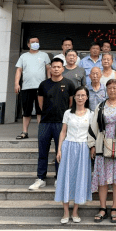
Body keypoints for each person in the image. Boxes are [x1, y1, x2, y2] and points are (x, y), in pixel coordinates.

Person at [89, 79, 116, 223]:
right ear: (106, 90)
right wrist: (92, 145)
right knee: (102, 179)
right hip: (102, 145)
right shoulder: (100, 106)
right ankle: (102, 208)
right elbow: (93, 126)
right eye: (109, 88)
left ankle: (114, 207)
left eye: (115, 88)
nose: (112, 90)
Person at [29, 58, 75, 191]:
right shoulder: (43, 85)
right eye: (54, 67)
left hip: (61, 123)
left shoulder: (69, 84)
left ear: (63, 68)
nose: (56, 69)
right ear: (50, 69)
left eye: (58, 67)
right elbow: (41, 103)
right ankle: (41, 178)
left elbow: (70, 104)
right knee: (43, 151)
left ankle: (59, 178)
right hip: (45, 123)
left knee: (60, 152)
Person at [55, 86, 93, 224]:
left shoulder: (91, 114)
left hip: (83, 148)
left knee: (79, 178)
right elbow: (63, 132)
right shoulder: (68, 113)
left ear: (87, 97)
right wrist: (59, 150)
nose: (80, 98)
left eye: (83, 95)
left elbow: (92, 133)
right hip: (69, 147)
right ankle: (65, 212)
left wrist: (92, 148)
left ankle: (75, 211)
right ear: (74, 97)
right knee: (65, 177)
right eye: (78, 95)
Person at [14, 36, 51, 140]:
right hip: (26, 87)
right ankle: (24, 132)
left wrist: (49, 82)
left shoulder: (44, 55)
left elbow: (48, 69)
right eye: (33, 42)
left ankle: (41, 132)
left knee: (40, 110)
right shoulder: (23, 56)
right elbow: (19, 70)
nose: (35, 43)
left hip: (41, 87)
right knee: (26, 111)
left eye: (37, 42)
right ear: (28, 44)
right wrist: (16, 83)